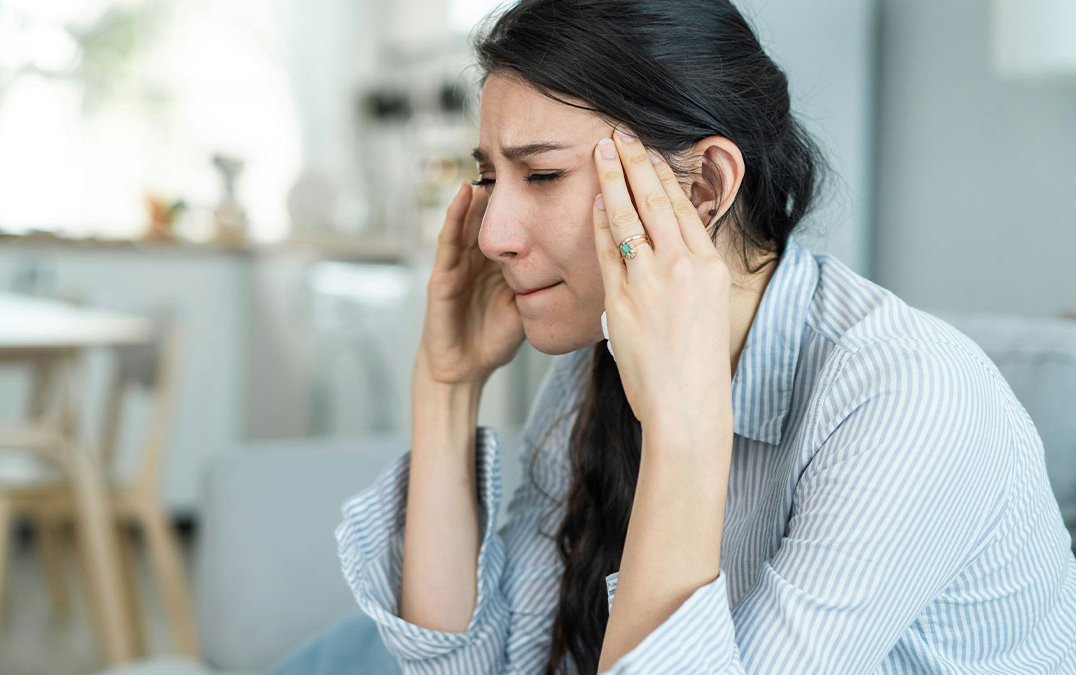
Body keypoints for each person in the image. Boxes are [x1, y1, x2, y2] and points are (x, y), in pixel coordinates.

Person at [333, 0, 1076, 673]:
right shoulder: (599, 364)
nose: (492, 234)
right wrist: (447, 387)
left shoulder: (910, 401)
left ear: (704, 187)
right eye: (491, 177)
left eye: (545, 175)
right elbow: (487, 667)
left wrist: (683, 430)